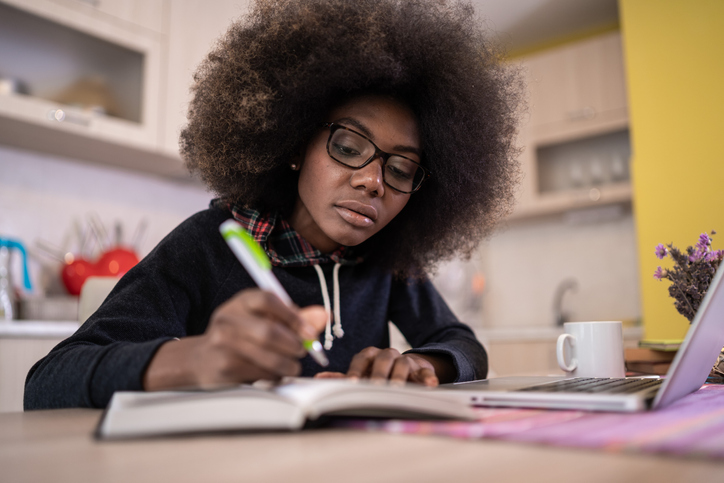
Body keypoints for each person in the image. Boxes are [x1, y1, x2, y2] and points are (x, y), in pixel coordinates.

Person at [24, 0, 521, 409]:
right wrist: (194, 361)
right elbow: (47, 382)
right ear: (292, 147)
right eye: (348, 147)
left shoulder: (387, 264)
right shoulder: (211, 242)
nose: (373, 182)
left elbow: (463, 344)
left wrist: (422, 364)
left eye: (400, 169)